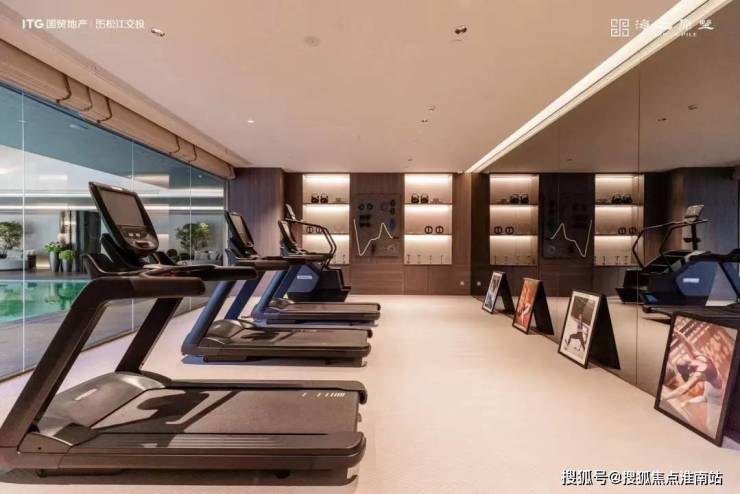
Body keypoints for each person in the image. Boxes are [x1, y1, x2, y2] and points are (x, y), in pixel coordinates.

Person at [662, 329, 724, 435]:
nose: (685, 355)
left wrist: (665, 397)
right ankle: (688, 403)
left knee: (708, 414)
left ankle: (713, 435)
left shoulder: (697, 366)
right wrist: (665, 398)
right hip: (713, 386)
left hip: (714, 390)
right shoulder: (697, 360)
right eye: (684, 358)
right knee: (705, 400)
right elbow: (682, 389)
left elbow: (683, 389)